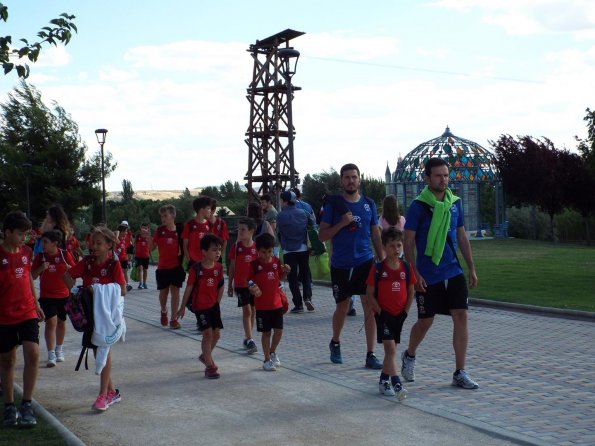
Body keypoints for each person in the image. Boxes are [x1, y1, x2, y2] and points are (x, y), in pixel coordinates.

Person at [401, 157, 479, 390]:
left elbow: (461, 235)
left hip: (453, 270)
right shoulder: (418, 206)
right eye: (438, 175)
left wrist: (471, 266)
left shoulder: (455, 203)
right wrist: (414, 273)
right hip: (428, 273)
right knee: (425, 321)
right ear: (427, 178)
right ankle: (410, 355)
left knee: (461, 316)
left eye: (446, 175)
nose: (443, 179)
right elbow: (408, 241)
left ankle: (459, 372)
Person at [319, 163, 384, 369]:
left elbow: (375, 233)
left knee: (369, 306)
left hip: (365, 261)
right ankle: (335, 341)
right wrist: (341, 224)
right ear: (341, 181)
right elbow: (322, 235)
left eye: (354, 177)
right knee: (342, 305)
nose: (350, 181)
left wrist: (382, 260)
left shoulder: (368, 203)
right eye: (346, 178)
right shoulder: (333, 205)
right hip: (341, 264)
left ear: (360, 179)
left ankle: (370, 353)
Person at [64, 226, 126, 411]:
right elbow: (67, 275)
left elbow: (122, 290)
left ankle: (102, 396)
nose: (94, 246)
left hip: (106, 316)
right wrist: (74, 291)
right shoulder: (87, 262)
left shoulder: (113, 265)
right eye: (93, 243)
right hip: (90, 313)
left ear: (109, 245)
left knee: (102, 350)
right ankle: (112, 392)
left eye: (99, 243)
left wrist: (98, 291)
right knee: (99, 351)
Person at [0, 211, 44, 426]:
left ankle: (27, 404)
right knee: (8, 361)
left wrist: (36, 304)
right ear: (7, 232)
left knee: (33, 354)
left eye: (26, 234)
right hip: (4, 315)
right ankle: (9, 406)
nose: (24, 238)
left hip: (27, 312)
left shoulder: (27, 252)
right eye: (20, 234)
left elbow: (27, 277)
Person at [366, 227, 415, 399]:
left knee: (391, 351)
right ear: (385, 247)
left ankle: (383, 380)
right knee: (390, 348)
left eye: (399, 245)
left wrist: (405, 312)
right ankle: (397, 383)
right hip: (383, 315)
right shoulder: (378, 269)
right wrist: (380, 312)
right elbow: (369, 294)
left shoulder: (406, 268)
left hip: (398, 315)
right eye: (392, 246)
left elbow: (411, 291)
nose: (396, 249)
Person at [178, 234, 224, 379]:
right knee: (208, 334)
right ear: (204, 252)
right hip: (201, 307)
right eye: (214, 250)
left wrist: (217, 302)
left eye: (219, 250)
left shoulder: (219, 267)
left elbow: (220, 286)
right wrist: (182, 307)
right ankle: (210, 366)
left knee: (217, 334)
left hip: (214, 306)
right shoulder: (196, 269)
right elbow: (189, 288)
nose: (218, 253)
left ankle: (205, 356)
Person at [31, 230, 75, 367]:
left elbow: (75, 272)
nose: (42, 245)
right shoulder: (40, 257)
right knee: (51, 322)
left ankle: (59, 349)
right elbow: (32, 276)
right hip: (47, 296)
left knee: (61, 322)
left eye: (45, 242)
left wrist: (70, 269)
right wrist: (41, 268)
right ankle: (51, 353)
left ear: (55, 243)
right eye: (41, 241)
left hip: (63, 295)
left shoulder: (64, 254)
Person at [247, 233, 290, 371]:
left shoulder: (276, 262)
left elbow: (280, 277)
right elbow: (248, 280)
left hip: (276, 304)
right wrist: (253, 287)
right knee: (266, 333)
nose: (266, 255)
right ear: (257, 251)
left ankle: (272, 352)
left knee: (278, 331)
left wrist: (286, 272)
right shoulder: (253, 265)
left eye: (269, 252)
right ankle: (266, 360)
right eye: (263, 252)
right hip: (262, 306)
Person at [277, 190, 315, 313]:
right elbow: (313, 226)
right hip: (303, 247)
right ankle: (307, 297)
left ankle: (298, 304)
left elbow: (280, 233)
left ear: (285, 201)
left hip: (288, 249)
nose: (281, 202)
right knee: (305, 274)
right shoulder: (303, 213)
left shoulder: (280, 216)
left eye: (281, 200)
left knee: (292, 278)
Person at [149, 205, 186, 329]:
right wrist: (148, 237)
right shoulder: (159, 231)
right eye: (161, 216)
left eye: (165, 216)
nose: (163, 219)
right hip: (162, 267)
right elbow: (152, 248)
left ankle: (173, 319)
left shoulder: (180, 230)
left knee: (175, 292)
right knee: (163, 293)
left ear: (173, 216)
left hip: (176, 266)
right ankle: (164, 310)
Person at [227, 217, 259, 354]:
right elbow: (232, 268)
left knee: (253, 310)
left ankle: (247, 337)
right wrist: (229, 285)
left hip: (253, 285)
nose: (240, 232)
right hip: (240, 284)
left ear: (251, 231)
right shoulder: (236, 248)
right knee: (247, 311)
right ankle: (250, 339)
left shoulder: (256, 248)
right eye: (239, 229)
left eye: (243, 229)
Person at [182, 196, 212, 269]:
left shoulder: (210, 225)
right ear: (202, 210)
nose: (210, 210)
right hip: (193, 262)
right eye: (208, 208)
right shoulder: (189, 225)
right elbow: (185, 246)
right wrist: (189, 260)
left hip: (207, 262)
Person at [208, 199, 229, 263]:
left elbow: (225, 241)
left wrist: (220, 256)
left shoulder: (221, 223)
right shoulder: (201, 223)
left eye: (208, 209)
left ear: (213, 210)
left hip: (216, 256)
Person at [115, 223, 133, 292]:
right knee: (119, 272)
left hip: (124, 258)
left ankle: (127, 284)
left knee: (125, 271)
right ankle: (119, 284)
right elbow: (116, 236)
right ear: (121, 231)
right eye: (125, 231)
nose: (126, 233)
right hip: (118, 259)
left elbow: (125, 248)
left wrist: (128, 258)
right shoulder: (117, 238)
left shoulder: (125, 239)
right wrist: (118, 232)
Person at [134, 223, 151, 289]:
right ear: (140, 228)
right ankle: (140, 283)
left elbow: (150, 246)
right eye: (143, 228)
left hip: (146, 256)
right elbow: (135, 245)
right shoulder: (138, 236)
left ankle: (144, 283)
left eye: (146, 228)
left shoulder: (148, 236)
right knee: (140, 268)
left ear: (148, 229)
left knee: (145, 270)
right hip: (138, 256)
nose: (144, 229)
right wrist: (133, 254)